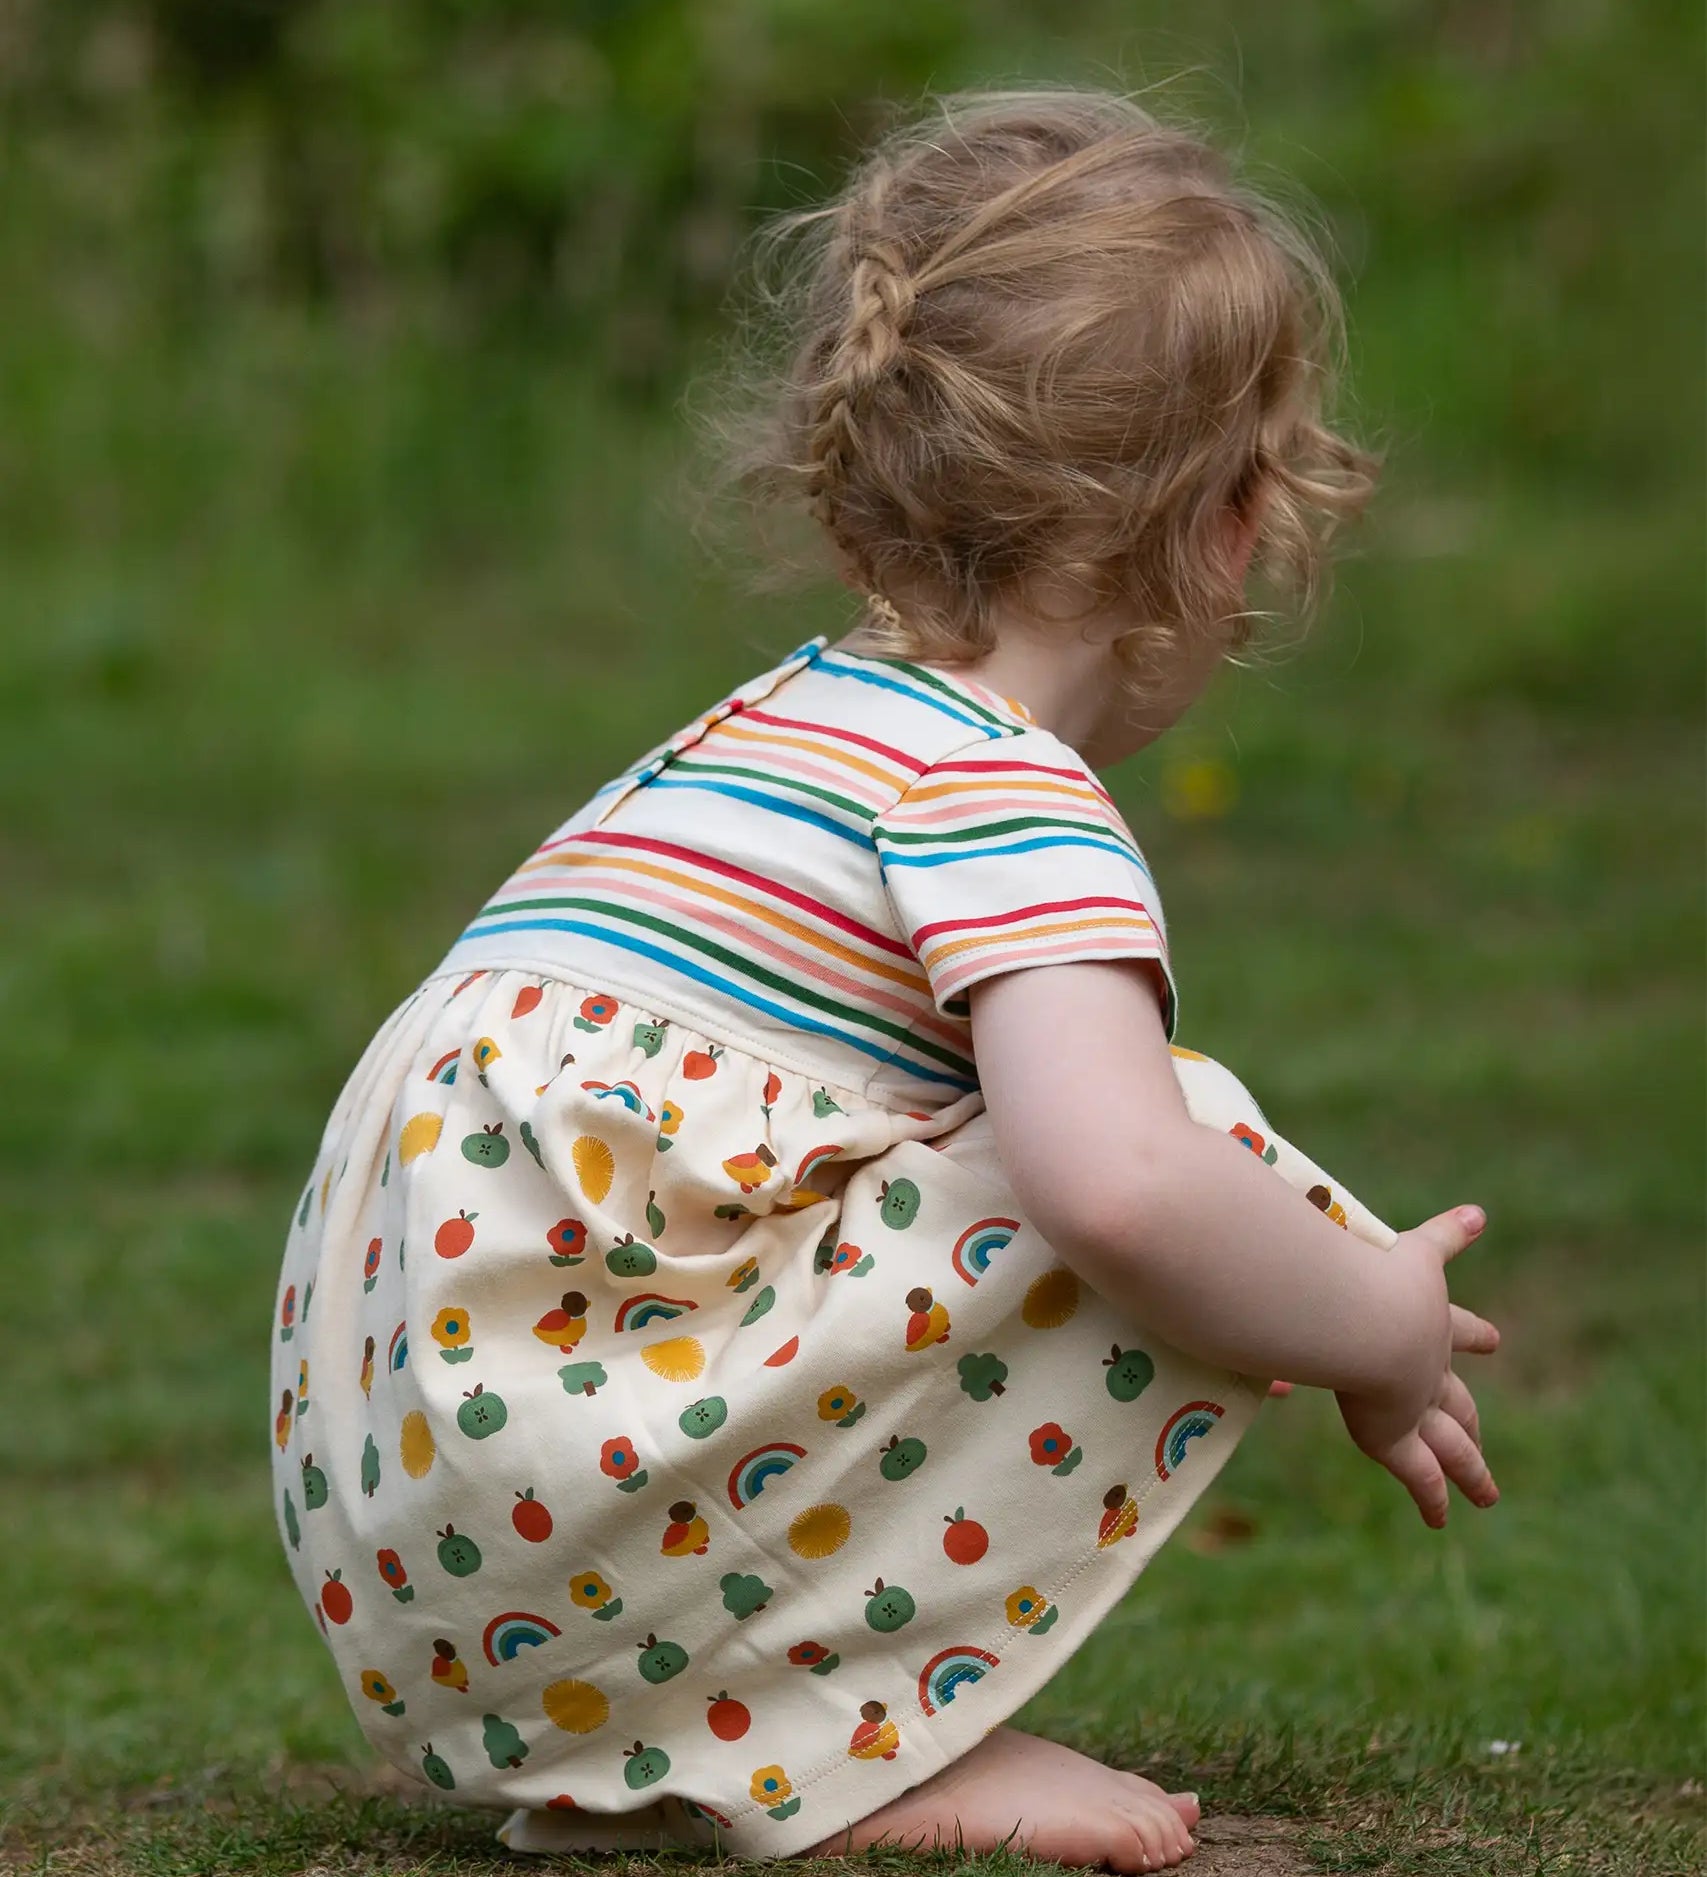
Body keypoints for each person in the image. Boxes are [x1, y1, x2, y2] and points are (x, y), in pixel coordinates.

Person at [269, 86, 1501, 1873]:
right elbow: (1123, 1187)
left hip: (427, 1549)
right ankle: (845, 1750)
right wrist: (1373, 1321)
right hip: (565, 1501)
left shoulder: (779, 732)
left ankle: (684, 1725)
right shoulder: (998, 788)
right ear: (1228, 529)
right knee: (1195, 1145)